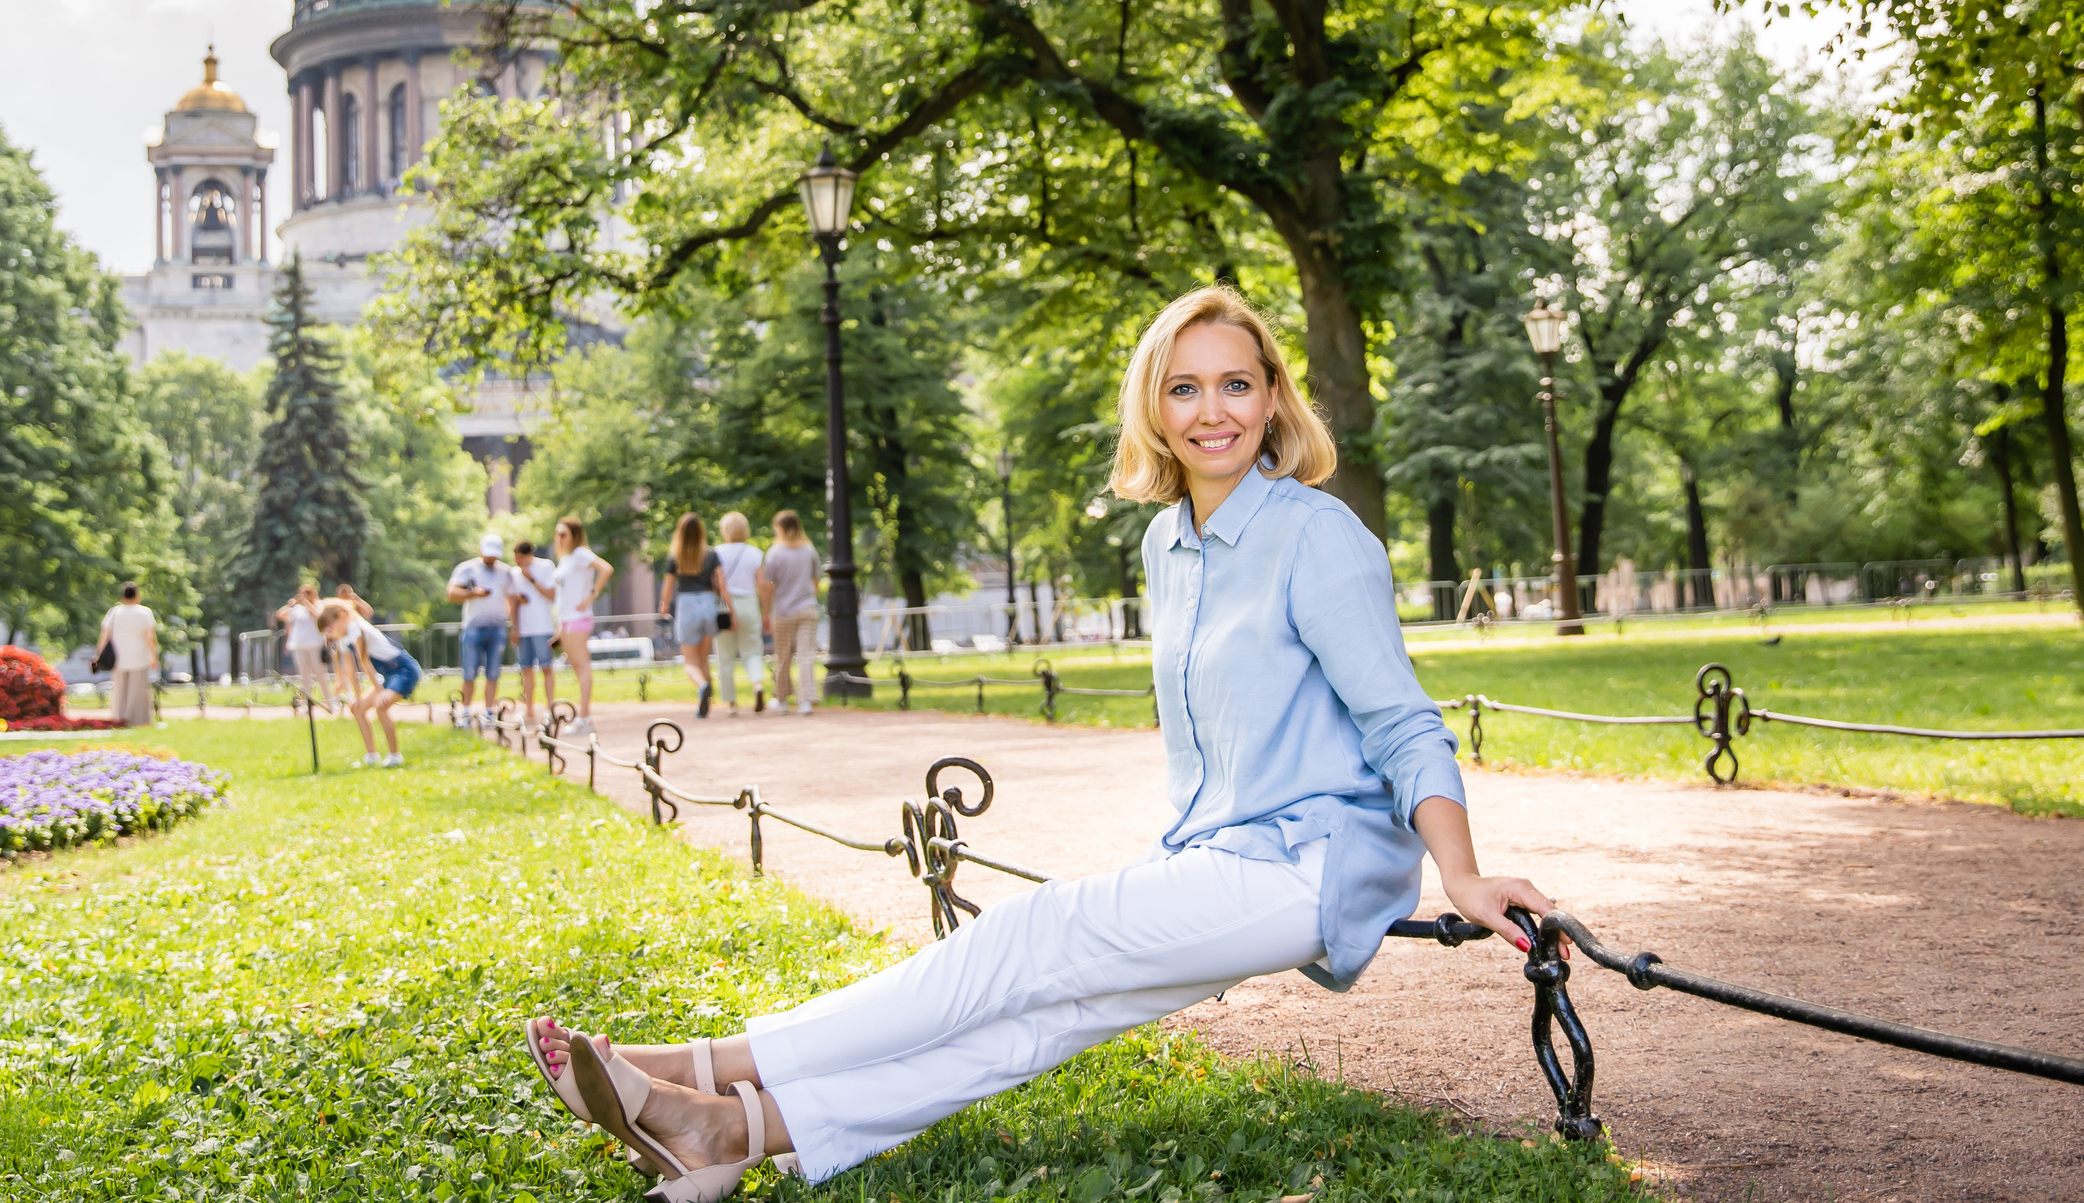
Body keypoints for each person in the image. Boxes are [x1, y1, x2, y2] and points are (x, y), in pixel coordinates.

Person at [522, 287, 1553, 1197]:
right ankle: (730, 1131)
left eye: (1236, 385)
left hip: (1309, 863)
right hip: (1216, 856)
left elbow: (1400, 719)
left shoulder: (1317, 534)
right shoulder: (1167, 540)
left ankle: (707, 1065)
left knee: (1030, 939)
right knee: (1048, 1019)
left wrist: (1458, 873)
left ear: (1275, 397)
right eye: (1184, 389)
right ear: (1154, 406)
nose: (1213, 412)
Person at [320, 599, 419, 768]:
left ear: (342, 616)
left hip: (403, 670)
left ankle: (395, 756)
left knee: (381, 706)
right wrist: (357, 696)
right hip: (388, 675)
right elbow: (350, 668)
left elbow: (364, 661)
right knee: (357, 709)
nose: (329, 632)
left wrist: (380, 692)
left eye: (330, 626)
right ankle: (371, 756)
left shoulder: (355, 628)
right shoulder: (344, 637)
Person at [448, 534, 522, 725]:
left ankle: (489, 712)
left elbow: (512, 599)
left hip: (497, 627)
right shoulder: (467, 569)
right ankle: (465, 712)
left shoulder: (505, 572)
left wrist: (515, 627)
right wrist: (472, 593)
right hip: (473, 627)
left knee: (493, 672)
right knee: (469, 672)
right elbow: (451, 593)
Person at [756, 511, 821, 717]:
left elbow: (768, 586)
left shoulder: (775, 553)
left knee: (783, 656)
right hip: (807, 608)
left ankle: (782, 699)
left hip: (783, 610)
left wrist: (766, 612)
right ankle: (805, 701)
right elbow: (816, 580)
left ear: (780, 529)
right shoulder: (809, 550)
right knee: (806, 656)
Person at [660, 513, 723, 719]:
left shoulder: (675, 556)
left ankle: (703, 686)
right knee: (704, 658)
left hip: (687, 605)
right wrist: (729, 607)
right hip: (708, 603)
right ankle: (706, 703)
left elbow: (668, 586)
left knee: (690, 662)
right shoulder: (711, 555)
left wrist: (664, 606)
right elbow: (721, 584)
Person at [552, 516, 610, 730]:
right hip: (566, 620)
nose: (559, 538)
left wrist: (592, 595)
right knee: (576, 666)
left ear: (574, 536)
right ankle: (584, 715)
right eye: (557, 534)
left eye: (563, 534)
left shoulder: (580, 554)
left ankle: (584, 716)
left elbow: (606, 568)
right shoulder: (565, 558)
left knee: (582, 665)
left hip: (578, 618)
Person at [709, 513, 766, 716]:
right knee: (752, 651)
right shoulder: (755, 553)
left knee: (724, 656)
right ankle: (757, 684)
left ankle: (731, 703)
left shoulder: (716, 553)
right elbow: (762, 585)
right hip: (749, 604)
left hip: (725, 606)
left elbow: (717, 584)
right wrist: (766, 612)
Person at [95, 583, 160, 727]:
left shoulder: (114, 612)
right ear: (137, 596)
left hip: (118, 658)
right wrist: (154, 656)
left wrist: (98, 654)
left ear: (123, 596)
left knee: (119, 691)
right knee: (138, 691)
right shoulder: (144, 612)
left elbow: (105, 635)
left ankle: (119, 718)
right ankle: (139, 720)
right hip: (139, 656)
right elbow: (150, 637)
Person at [512, 540, 561, 719]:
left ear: (530, 556)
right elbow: (511, 601)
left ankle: (550, 708)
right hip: (524, 628)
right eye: (516, 559)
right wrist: (515, 627)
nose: (518, 563)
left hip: (542, 626)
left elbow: (551, 594)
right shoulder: (513, 573)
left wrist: (531, 579)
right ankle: (529, 710)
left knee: (546, 667)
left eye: (521, 559)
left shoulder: (546, 566)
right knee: (526, 669)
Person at [276, 585, 334, 709]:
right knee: (304, 677)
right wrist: (291, 604)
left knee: (321, 675)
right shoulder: (297, 609)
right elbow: (280, 615)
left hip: (316, 645)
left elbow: (320, 617)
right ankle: (306, 703)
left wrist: (308, 604)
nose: (305, 596)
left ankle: (329, 702)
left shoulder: (319, 605)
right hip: (300, 645)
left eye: (308, 593)